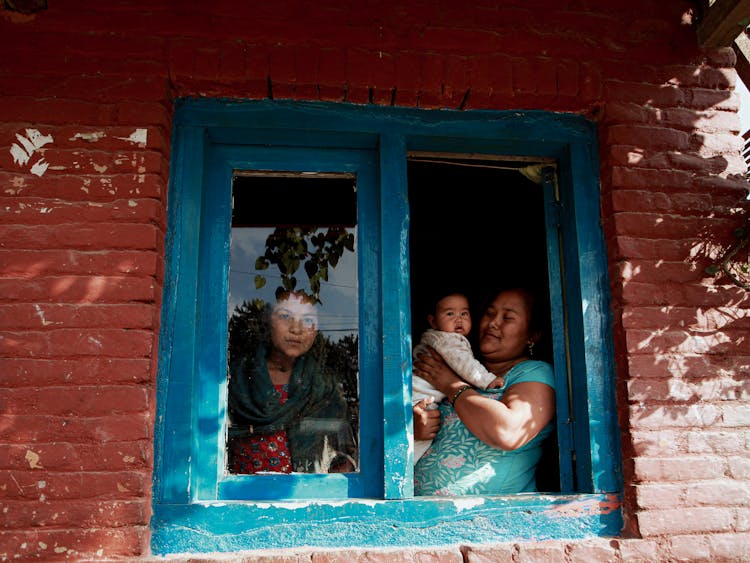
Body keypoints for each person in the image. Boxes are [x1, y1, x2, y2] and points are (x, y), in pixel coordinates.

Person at [412, 287, 555, 495]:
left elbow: (508, 431)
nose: (493, 322)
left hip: (494, 518)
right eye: (489, 314)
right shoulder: (455, 368)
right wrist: (416, 431)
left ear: (532, 335)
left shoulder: (535, 373)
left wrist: (451, 385)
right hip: (420, 516)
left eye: (507, 318)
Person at [227, 291, 357, 474]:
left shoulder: (324, 387)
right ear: (270, 322)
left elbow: (346, 450)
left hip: (307, 496)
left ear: (315, 330)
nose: (296, 328)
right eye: (285, 316)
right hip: (238, 496)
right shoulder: (237, 378)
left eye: (307, 319)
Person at [412, 291, 503, 461]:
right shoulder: (448, 340)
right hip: (421, 398)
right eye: (450, 313)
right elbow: (465, 365)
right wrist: (488, 379)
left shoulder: (441, 338)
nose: (458, 319)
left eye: (464, 313)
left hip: (417, 394)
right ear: (433, 321)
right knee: (415, 446)